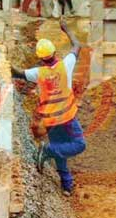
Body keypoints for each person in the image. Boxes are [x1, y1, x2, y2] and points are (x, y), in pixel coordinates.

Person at [11, 19, 86, 195]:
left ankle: (67, 185)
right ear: (54, 53)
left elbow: (18, 73)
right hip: (67, 118)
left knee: (60, 147)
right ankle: (47, 150)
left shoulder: (38, 73)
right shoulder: (65, 65)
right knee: (79, 144)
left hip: (51, 120)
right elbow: (77, 45)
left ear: (40, 57)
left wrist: (4, 60)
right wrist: (66, 28)